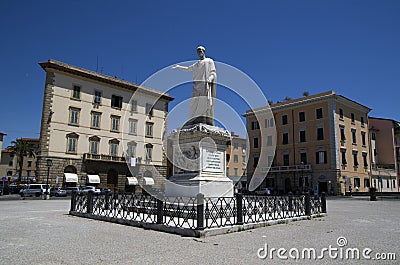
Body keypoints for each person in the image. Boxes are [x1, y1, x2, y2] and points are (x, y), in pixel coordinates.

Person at [173, 46, 217, 126]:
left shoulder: (209, 61)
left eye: (200, 50)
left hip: (205, 84)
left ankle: (204, 119)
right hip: (197, 85)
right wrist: (179, 67)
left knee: (204, 101)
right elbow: (187, 69)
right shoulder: (196, 64)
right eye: (198, 51)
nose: (199, 52)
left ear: (204, 51)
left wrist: (210, 79)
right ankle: (195, 119)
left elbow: (213, 72)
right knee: (194, 102)